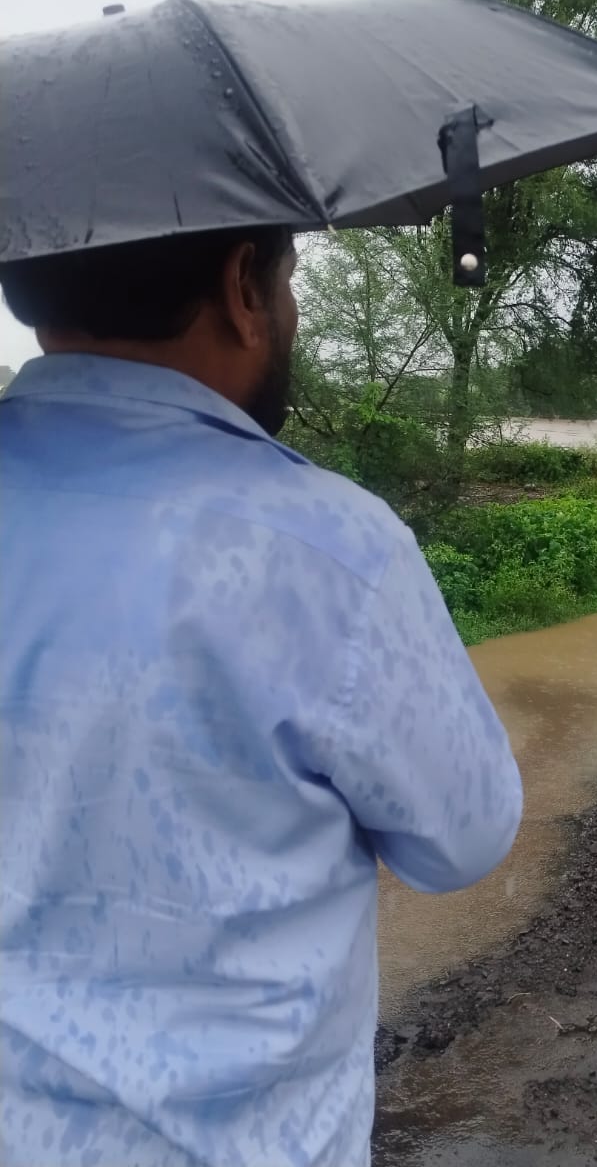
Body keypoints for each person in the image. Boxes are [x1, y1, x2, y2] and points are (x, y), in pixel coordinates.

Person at [0, 227, 524, 1166]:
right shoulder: (327, 551)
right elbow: (464, 837)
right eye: (286, 277)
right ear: (245, 284)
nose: (291, 309)